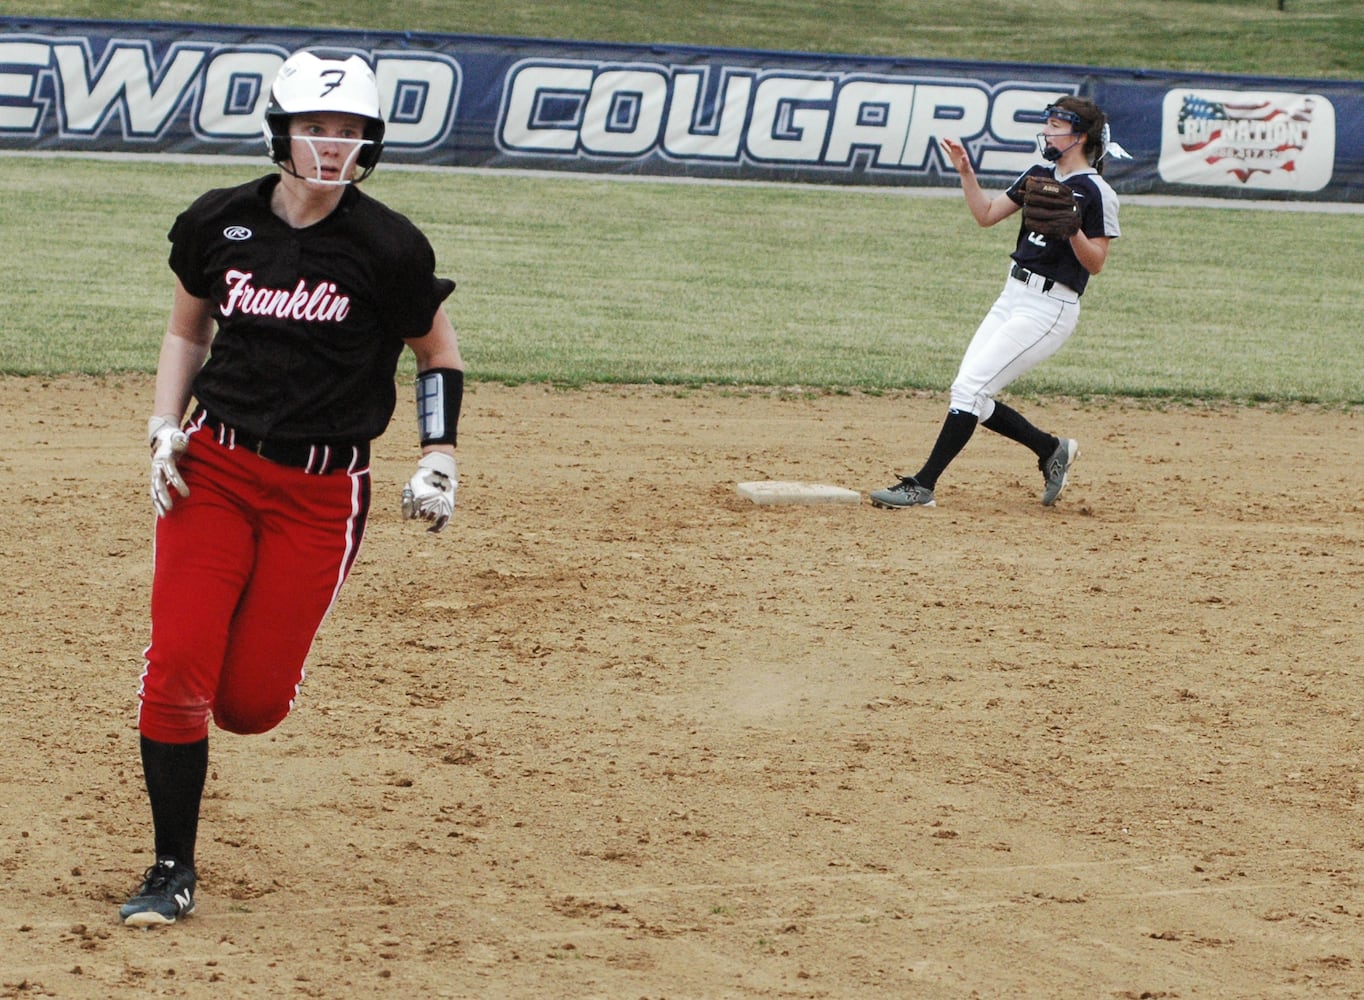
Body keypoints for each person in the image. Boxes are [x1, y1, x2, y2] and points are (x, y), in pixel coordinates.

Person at [120, 50, 465, 926]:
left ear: (370, 143)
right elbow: (185, 333)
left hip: (322, 493)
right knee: (176, 675)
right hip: (215, 470)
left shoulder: (388, 246)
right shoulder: (220, 222)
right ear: (282, 130)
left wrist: (440, 453)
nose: (331, 145)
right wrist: (165, 425)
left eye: (350, 131)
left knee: (248, 705)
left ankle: (253, 664)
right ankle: (171, 868)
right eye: (317, 126)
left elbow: (438, 356)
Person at [869, 95, 1125, 510]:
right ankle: (1050, 448)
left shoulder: (1097, 192)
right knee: (968, 391)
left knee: (971, 390)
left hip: (1049, 307)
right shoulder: (1040, 173)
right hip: (1012, 295)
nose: (1047, 132)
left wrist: (1073, 230)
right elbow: (986, 215)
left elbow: (1095, 264)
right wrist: (966, 173)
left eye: (1056, 126)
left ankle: (923, 486)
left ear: (1080, 136)